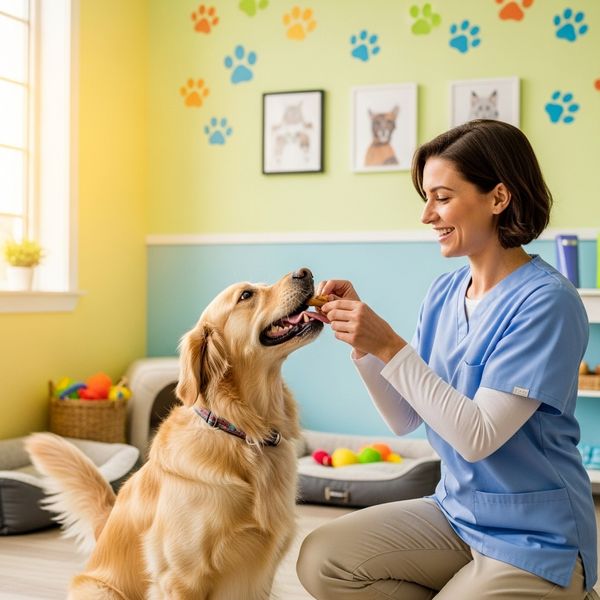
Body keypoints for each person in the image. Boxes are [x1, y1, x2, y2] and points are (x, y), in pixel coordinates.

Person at [296, 119, 598, 600]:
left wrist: (390, 345)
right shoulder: (444, 292)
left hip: (534, 535)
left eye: (442, 197)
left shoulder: (548, 302)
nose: (426, 215)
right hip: (456, 512)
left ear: (499, 198)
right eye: (426, 198)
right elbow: (404, 417)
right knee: (323, 558)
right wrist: (365, 344)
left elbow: (477, 436)